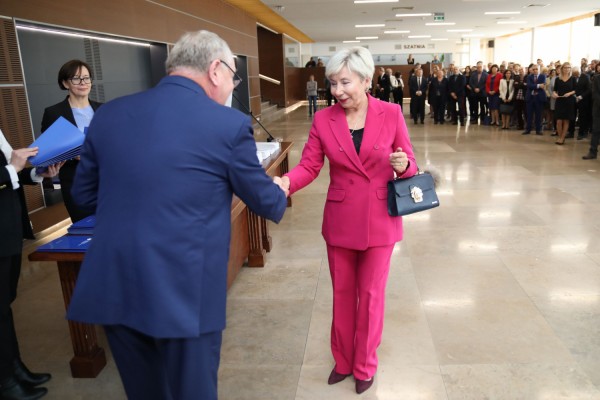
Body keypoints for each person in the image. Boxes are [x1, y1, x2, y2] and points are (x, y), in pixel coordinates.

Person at [65, 30, 289, 400]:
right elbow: (266, 202)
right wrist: (279, 190)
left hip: (115, 284)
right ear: (215, 70)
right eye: (234, 76)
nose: (233, 85)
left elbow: (84, 194)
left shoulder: (110, 114)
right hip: (184, 291)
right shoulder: (227, 125)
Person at [280, 46, 417, 395]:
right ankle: (342, 362)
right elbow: (310, 165)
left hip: (380, 219)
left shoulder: (390, 113)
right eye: (333, 83)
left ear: (366, 80)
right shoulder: (324, 119)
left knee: (371, 296)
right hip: (340, 220)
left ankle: (365, 365)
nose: (337, 91)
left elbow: (410, 163)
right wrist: (286, 182)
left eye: (345, 82)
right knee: (342, 294)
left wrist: (404, 167)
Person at [1, 130, 62, 400]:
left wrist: (37, 174)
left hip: (9, 228)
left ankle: (14, 369)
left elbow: (10, 170)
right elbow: (7, 170)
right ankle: (5, 381)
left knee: (4, 304)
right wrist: (12, 168)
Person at [41, 59, 102, 222]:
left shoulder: (103, 109)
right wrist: (73, 153)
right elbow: (47, 151)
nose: (83, 82)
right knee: (86, 230)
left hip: (108, 180)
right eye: (76, 78)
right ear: (65, 83)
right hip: (76, 183)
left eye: (86, 78)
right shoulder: (53, 113)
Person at [552, 62, 577, 145]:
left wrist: (569, 93)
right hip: (559, 101)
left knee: (566, 120)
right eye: (565, 67)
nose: (567, 69)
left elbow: (575, 90)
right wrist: (554, 94)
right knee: (558, 121)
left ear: (570, 69)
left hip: (569, 101)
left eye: (568, 67)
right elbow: (554, 90)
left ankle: (562, 138)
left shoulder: (573, 78)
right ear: (562, 69)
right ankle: (559, 136)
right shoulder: (557, 79)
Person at [523, 64, 546, 135]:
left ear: (539, 69)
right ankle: (528, 129)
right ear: (531, 70)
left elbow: (543, 85)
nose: (535, 70)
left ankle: (538, 130)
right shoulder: (529, 77)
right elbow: (529, 85)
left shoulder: (543, 76)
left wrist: (535, 86)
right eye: (534, 69)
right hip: (530, 97)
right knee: (529, 114)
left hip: (539, 98)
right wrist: (538, 85)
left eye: (536, 69)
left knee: (538, 115)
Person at [583, 63, 600, 159]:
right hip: (598, 109)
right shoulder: (597, 78)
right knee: (596, 130)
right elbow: (595, 94)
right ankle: (593, 152)